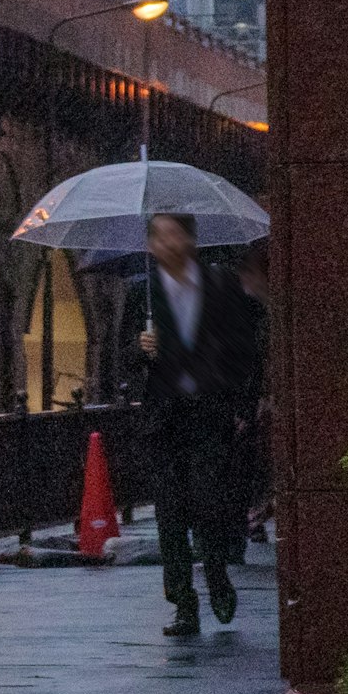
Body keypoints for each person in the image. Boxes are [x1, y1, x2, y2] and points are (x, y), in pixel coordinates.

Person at [134, 211, 266, 635]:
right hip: (164, 419)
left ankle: (216, 578)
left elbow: (248, 346)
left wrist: (241, 404)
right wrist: (142, 349)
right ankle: (183, 604)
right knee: (169, 513)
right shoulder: (146, 294)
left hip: (209, 415)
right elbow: (123, 358)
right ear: (151, 246)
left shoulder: (221, 284)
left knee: (209, 505)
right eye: (160, 237)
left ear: (191, 240)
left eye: (176, 235)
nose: (168, 244)